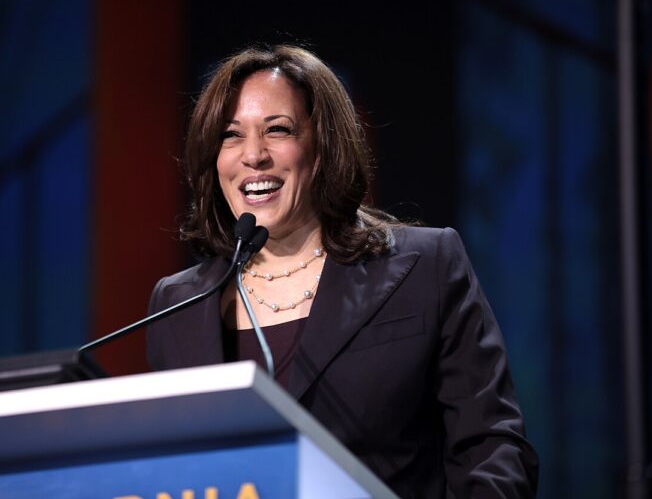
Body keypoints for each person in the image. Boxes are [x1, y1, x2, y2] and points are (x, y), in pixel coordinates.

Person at [146, 44, 539, 498]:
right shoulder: (177, 305)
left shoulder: (424, 267)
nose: (253, 155)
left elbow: (492, 449)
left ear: (323, 146)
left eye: (278, 129)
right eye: (231, 135)